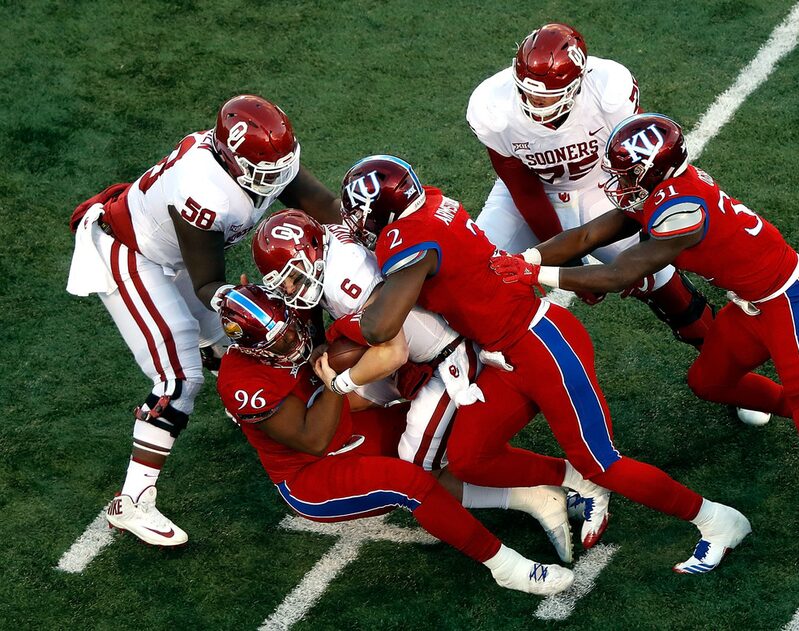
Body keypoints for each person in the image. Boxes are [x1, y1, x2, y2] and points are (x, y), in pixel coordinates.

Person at [334, 153, 751, 574]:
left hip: (540, 342)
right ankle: (577, 481)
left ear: (381, 209)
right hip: (503, 353)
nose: (359, 223)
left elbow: (379, 327)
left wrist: (354, 310)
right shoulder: (433, 203)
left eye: (361, 213)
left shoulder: (405, 238)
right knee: (468, 458)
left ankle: (716, 521)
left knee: (603, 461)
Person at [66, 94, 343, 546]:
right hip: (131, 252)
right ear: (231, 158)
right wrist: (252, 308)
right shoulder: (203, 188)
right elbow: (208, 284)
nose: (273, 180)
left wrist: (363, 239)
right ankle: (133, 502)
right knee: (178, 378)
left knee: (221, 343)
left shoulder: (260, 162)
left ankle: (250, 418)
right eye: (264, 172)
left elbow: (325, 204)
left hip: (175, 256)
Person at [490, 112, 799, 471]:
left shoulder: (682, 210)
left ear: (653, 171)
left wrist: (534, 273)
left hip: (790, 299)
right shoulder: (662, 191)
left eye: (626, 174)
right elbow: (585, 237)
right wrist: (521, 258)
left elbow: (620, 273)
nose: (618, 181)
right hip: (750, 303)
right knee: (709, 381)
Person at [248, 208, 578, 561]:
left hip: (444, 359)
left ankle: (547, 492)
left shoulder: (345, 281)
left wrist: (340, 383)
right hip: (418, 353)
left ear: (312, 251)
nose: (289, 288)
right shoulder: (328, 243)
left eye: (293, 277)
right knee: (349, 408)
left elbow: (392, 352)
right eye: (281, 282)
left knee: (417, 468)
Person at [215, 284, 574, 596]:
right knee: (411, 483)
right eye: (281, 344)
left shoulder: (287, 314)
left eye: (292, 331)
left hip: (346, 425)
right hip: (310, 471)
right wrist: (336, 382)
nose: (295, 342)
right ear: (251, 349)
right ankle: (507, 568)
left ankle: (539, 493)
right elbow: (313, 440)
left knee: (438, 436)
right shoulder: (242, 383)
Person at [466, 23, 731, 359]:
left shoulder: (608, 90)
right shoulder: (493, 105)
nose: (533, 102)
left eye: (545, 96)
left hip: (602, 186)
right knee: (473, 274)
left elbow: (638, 167)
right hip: (530, 194)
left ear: (578, 83)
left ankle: (726, 360)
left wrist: (641, 232)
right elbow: (523, 189)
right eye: (526, 91)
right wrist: (574, 265)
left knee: (659, 280)